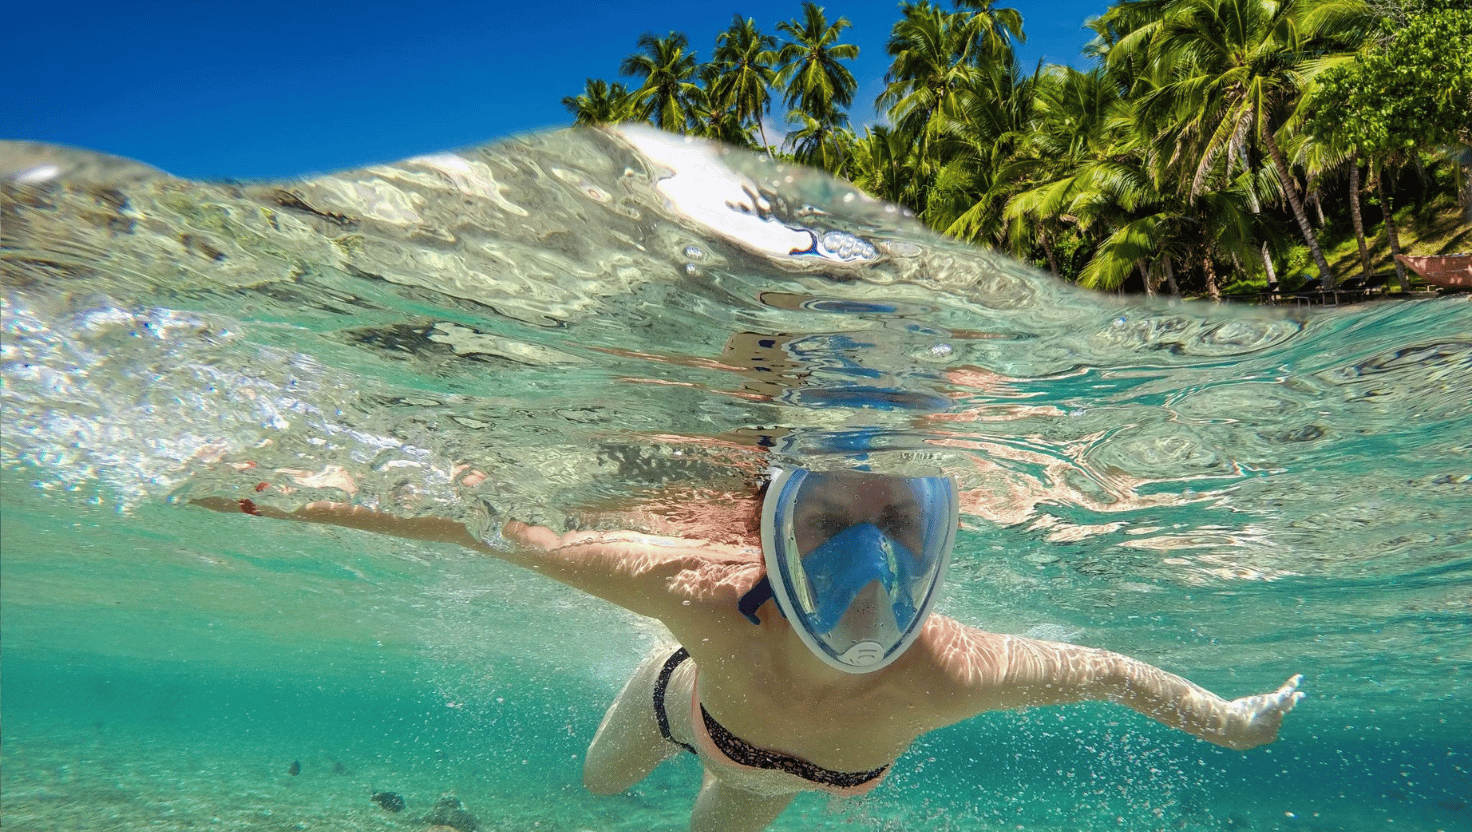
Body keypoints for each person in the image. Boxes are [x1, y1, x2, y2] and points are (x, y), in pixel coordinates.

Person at [196, 466, 1304, 832]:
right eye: (827, 529)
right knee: (595, 783)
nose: (866, 572)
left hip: (762, 784)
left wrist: (1231, 722)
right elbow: (489, 529)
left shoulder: (954, 664)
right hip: (682, 705)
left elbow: (1109, 670)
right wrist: (284, 500)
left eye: (896, 532)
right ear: (771, 542)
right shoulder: (696, 590)